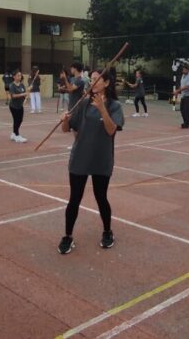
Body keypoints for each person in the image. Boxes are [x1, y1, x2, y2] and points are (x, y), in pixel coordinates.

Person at [58, 68, 124, 254]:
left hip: (101, 158)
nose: (92, 83)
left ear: (107, 83)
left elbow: (111, 130)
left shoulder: (114, 106)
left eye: (96, 79)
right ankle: (68, 236)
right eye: (91, 80)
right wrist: (64, 120)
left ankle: (107, 231)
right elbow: (68, 129)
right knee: (74, 199)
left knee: (101, 197)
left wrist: (102, 108)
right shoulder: (84, 103)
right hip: (80, 157)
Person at [8, 70, 29, 143]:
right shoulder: (11, 85)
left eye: (20, 75)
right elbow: (13, 96)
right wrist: (23, 94)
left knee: (20, 120)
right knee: (16, 120)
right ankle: (17, 135)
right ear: (14, 77)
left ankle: (14, 134)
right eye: (18, 75)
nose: (19, 77)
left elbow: (25, 94)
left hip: (20, 105)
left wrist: (26, 97)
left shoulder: (22, 85)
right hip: (13, 106)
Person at [172, 63, 189, 128]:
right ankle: (187, 121)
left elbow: (187, 86)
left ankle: (186, 123)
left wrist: (177, 91)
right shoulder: (183, 75)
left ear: (188, 70)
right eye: (183, 69)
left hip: (188, 96)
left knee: (187, 110)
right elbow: (182, 85)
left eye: (184, 70)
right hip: (183, 95)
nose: (183, 70)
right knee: (182, 109)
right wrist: (178, 92)